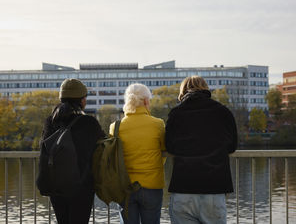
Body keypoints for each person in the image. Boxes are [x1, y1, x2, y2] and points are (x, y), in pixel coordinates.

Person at [165, 76, 237, 224]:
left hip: (183, 188)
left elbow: (169, 146)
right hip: (214, 188)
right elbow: (232, 145)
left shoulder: (176, 114)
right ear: (206, 89)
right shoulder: (223, 112)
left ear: (183, 91)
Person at [41, 78, 106, 224]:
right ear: (81, 100)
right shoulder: (89, 123)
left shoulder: (50, 121)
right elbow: (103, 145)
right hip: (81, 186)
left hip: (56, 185)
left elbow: (44, 148)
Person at [109, 83, 166, 224]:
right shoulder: (158, 124)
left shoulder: (115, 127)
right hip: (152, 186)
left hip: (125, 188)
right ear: (146, 101)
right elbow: (164, 152)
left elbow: (113, 158)